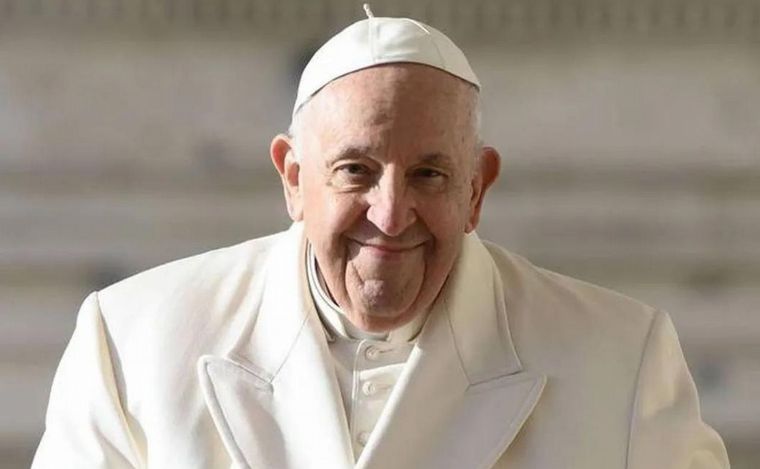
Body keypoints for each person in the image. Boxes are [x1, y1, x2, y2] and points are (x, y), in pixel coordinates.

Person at [33, 6, 729, 469]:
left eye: (429, 173)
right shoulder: (132, 341)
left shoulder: (621, 357)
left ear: (477, 189)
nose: (391, 215)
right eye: (355, 171)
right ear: (292, 177)